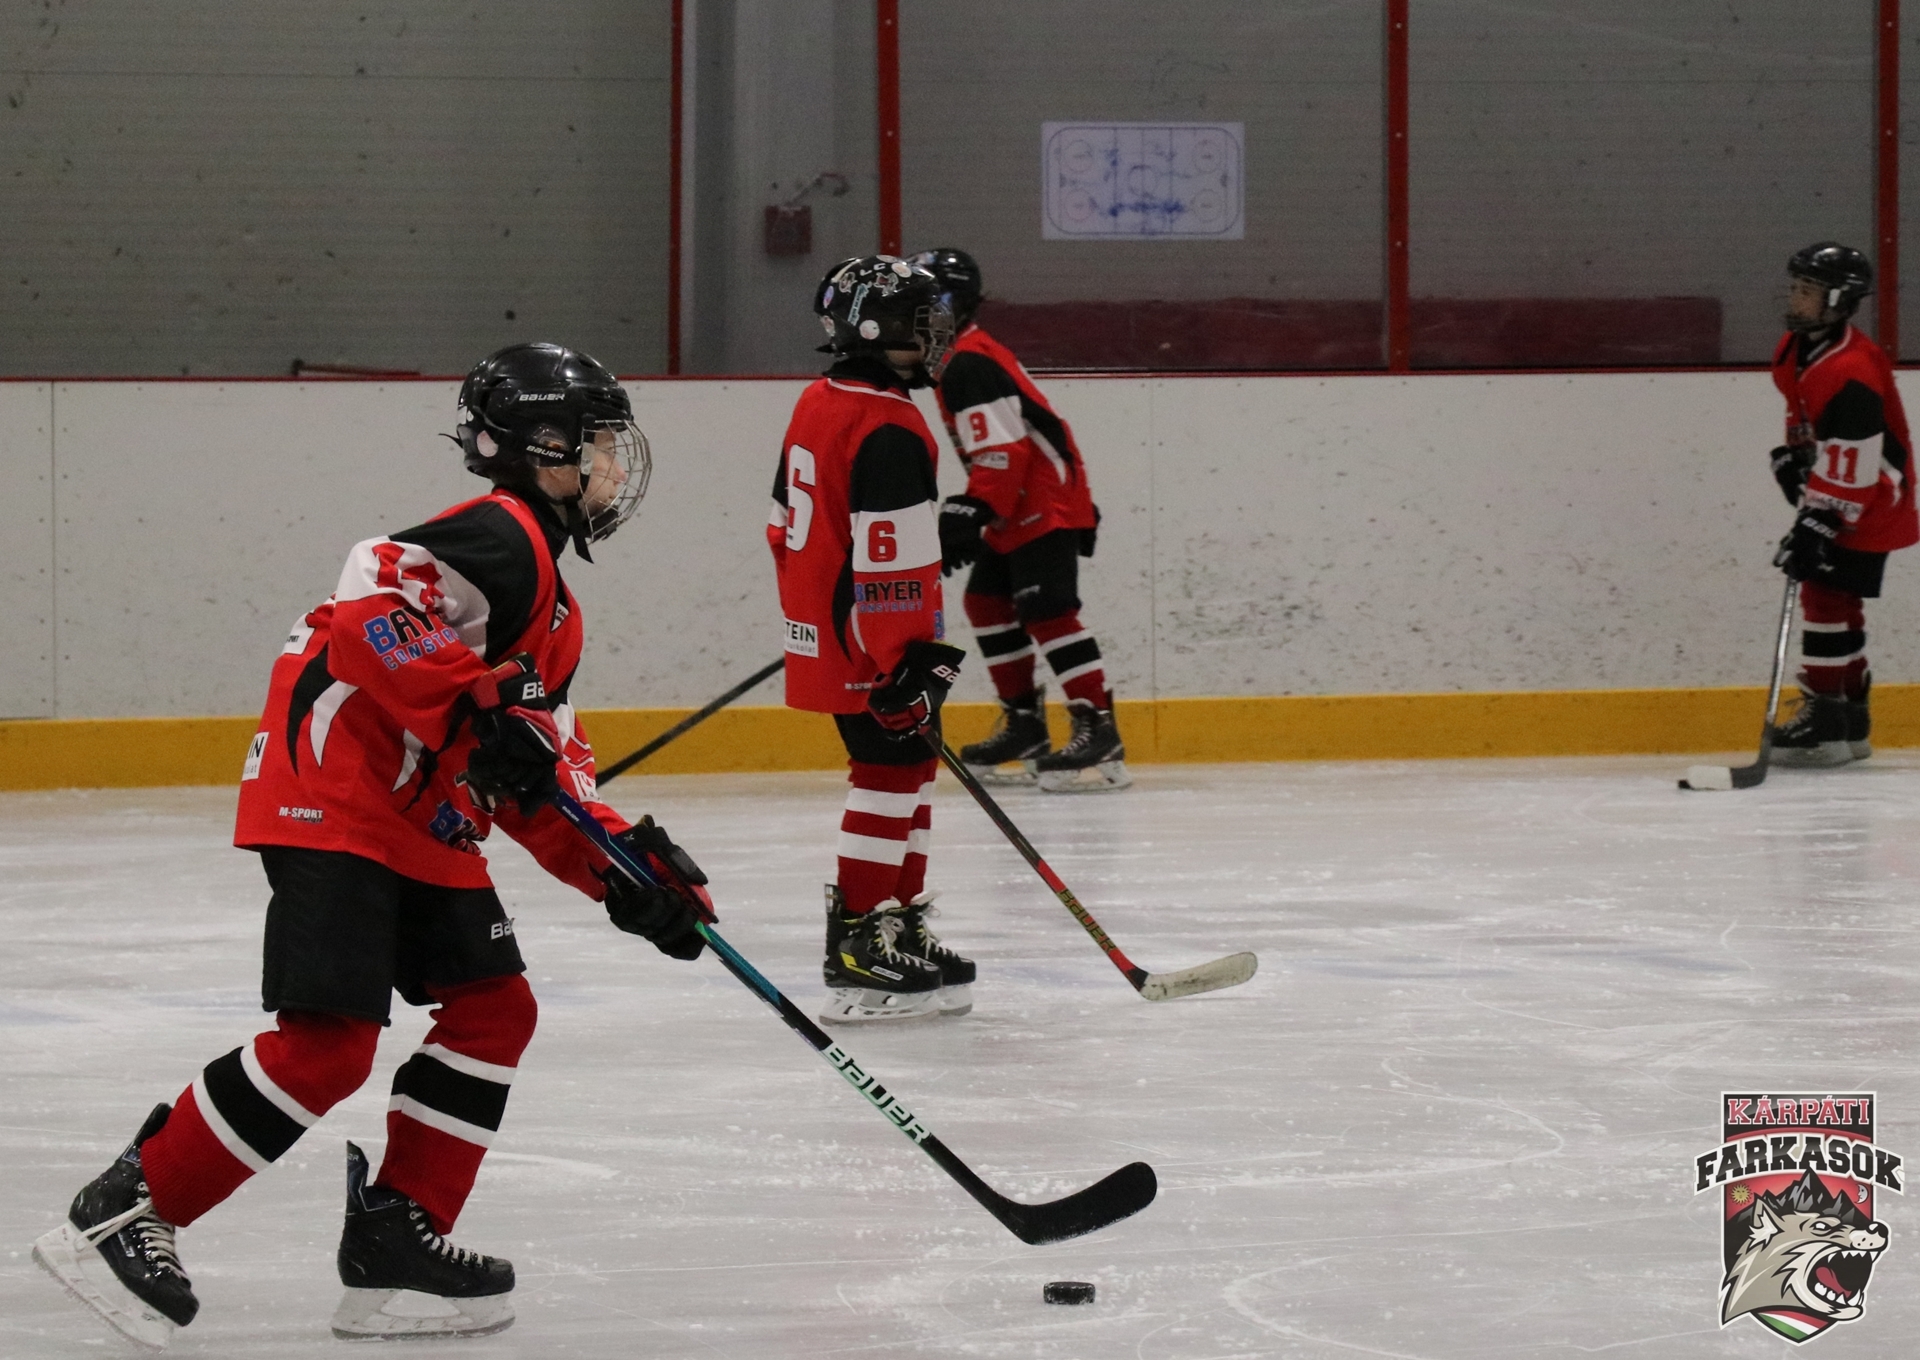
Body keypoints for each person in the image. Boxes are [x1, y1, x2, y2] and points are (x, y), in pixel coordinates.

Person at [33, 343, 716, 1347]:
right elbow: (373, 595)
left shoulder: (557, 614)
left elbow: (543, 777)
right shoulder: (503, 533)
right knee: (329, 1046)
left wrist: (629, 876)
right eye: (599, 444)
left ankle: (397, 1236)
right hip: (337, 793)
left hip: (418, 820)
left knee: (495, 1009)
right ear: (541, 448)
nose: (615, 466)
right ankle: (129, 1208)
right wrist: (476, 703)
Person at [768, 255, 972, 1026]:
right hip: (872, 645)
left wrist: (814, 610)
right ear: (878, 331)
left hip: (837, 628)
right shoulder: (889, 424)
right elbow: (890, 567)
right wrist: (900, 662)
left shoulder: (819, 400)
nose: (937, 339)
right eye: (924, 326)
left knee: (910, 770)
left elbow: (783, 525)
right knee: (888, 775)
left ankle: (896, 923)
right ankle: (858, 944)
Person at [908, 247, 1128, 792]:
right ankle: (1026, 726)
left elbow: (1005, 450)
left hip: (1040, 502)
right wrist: (979, 510)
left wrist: (975, 508)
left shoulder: (968, 361)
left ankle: (1099, 728)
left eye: (928, 302)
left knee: (1048, 609)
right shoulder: (959, 355)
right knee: (986, 602)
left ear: (954, 304)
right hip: (1022, 501)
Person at [1767, 243, 1915, 765]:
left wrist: (1820, 518)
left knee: (1824, 596)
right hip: (1851, 489)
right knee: (1839, 597)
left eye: (1808, 290)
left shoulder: (1851, 369)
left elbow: (1856, 456)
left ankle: (1827, 722)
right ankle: (1849, 720)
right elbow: (1810, 417)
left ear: (1838, 300)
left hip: (1871, 498)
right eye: (1795, 287)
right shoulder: (1796, 347)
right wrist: (1798, 458)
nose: (1796, 298)